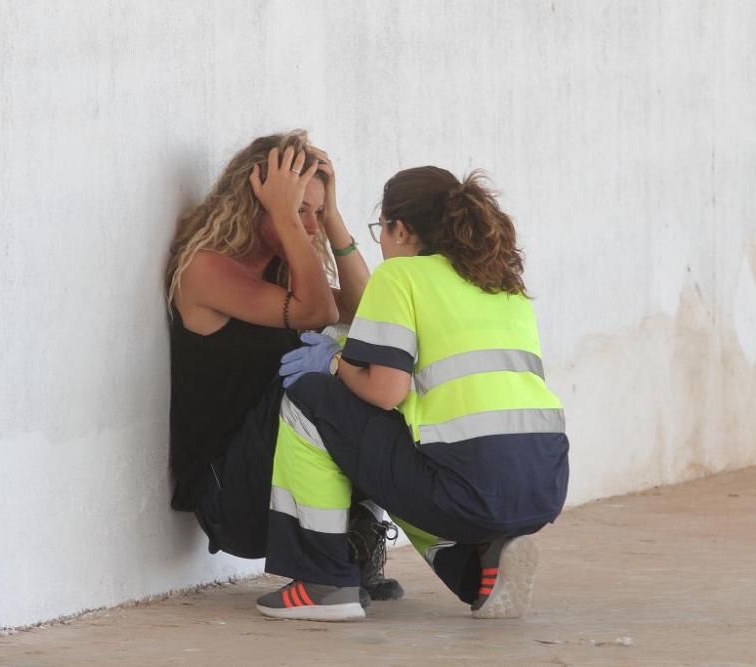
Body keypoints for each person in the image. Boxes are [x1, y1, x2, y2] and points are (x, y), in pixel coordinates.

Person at [255, 167, 570, 621]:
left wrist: (332, 362)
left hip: (466, 492)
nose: (381, 241)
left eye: (380, 229)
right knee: (411, 449)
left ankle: (322, 581)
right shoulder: (502, 284)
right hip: (542, 485)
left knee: (308, 397)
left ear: (399, 229)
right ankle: (483, 566)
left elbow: (385, 391)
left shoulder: (401, 276)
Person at [165, 130, 403, 600]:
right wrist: (285, 218)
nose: (309, 227)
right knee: (320, 376)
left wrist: (332, 218)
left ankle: (356, 535)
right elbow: (319, 313)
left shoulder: (281, 272)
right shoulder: (205, 270)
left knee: (378, 370)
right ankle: (329, 559)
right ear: (258, 202)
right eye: (300, 211)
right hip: (230, 499)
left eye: (315, 213)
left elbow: (368, 313)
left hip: (278, 483)